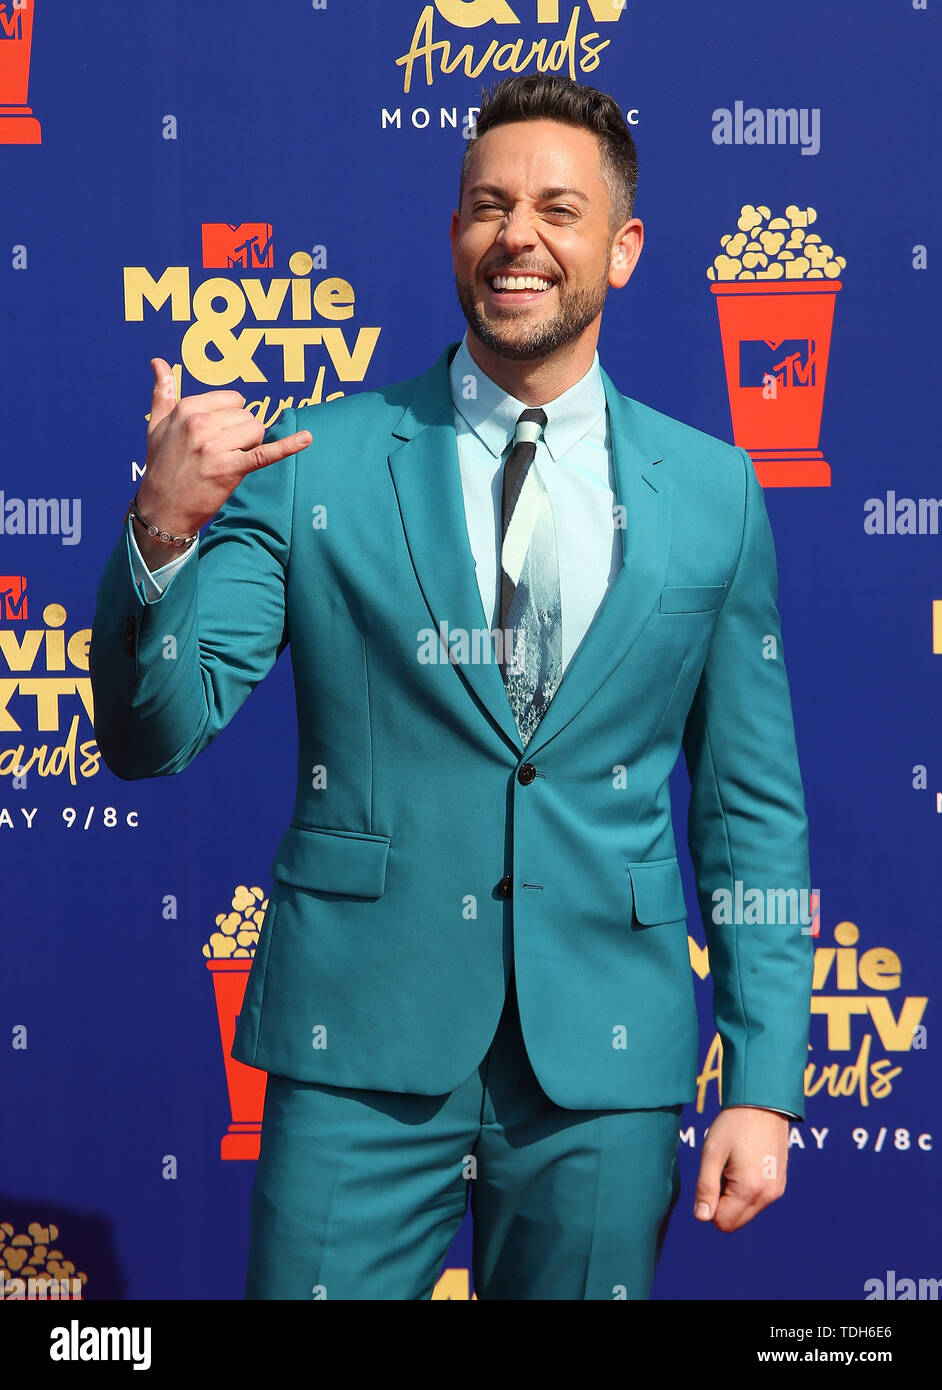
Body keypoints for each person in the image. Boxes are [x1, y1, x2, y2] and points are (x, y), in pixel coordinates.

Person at [89, 74, 813, 1301]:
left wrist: (763, 1080)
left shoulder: (716, 494)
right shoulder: (312, 465)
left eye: (556, 209)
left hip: (606, 1061)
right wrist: (162, 527)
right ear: (454, 235)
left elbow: (750, 813)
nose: (516, 235)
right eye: (487, 205)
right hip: (357, 1046)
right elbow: (153, 737)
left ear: (622, 249)